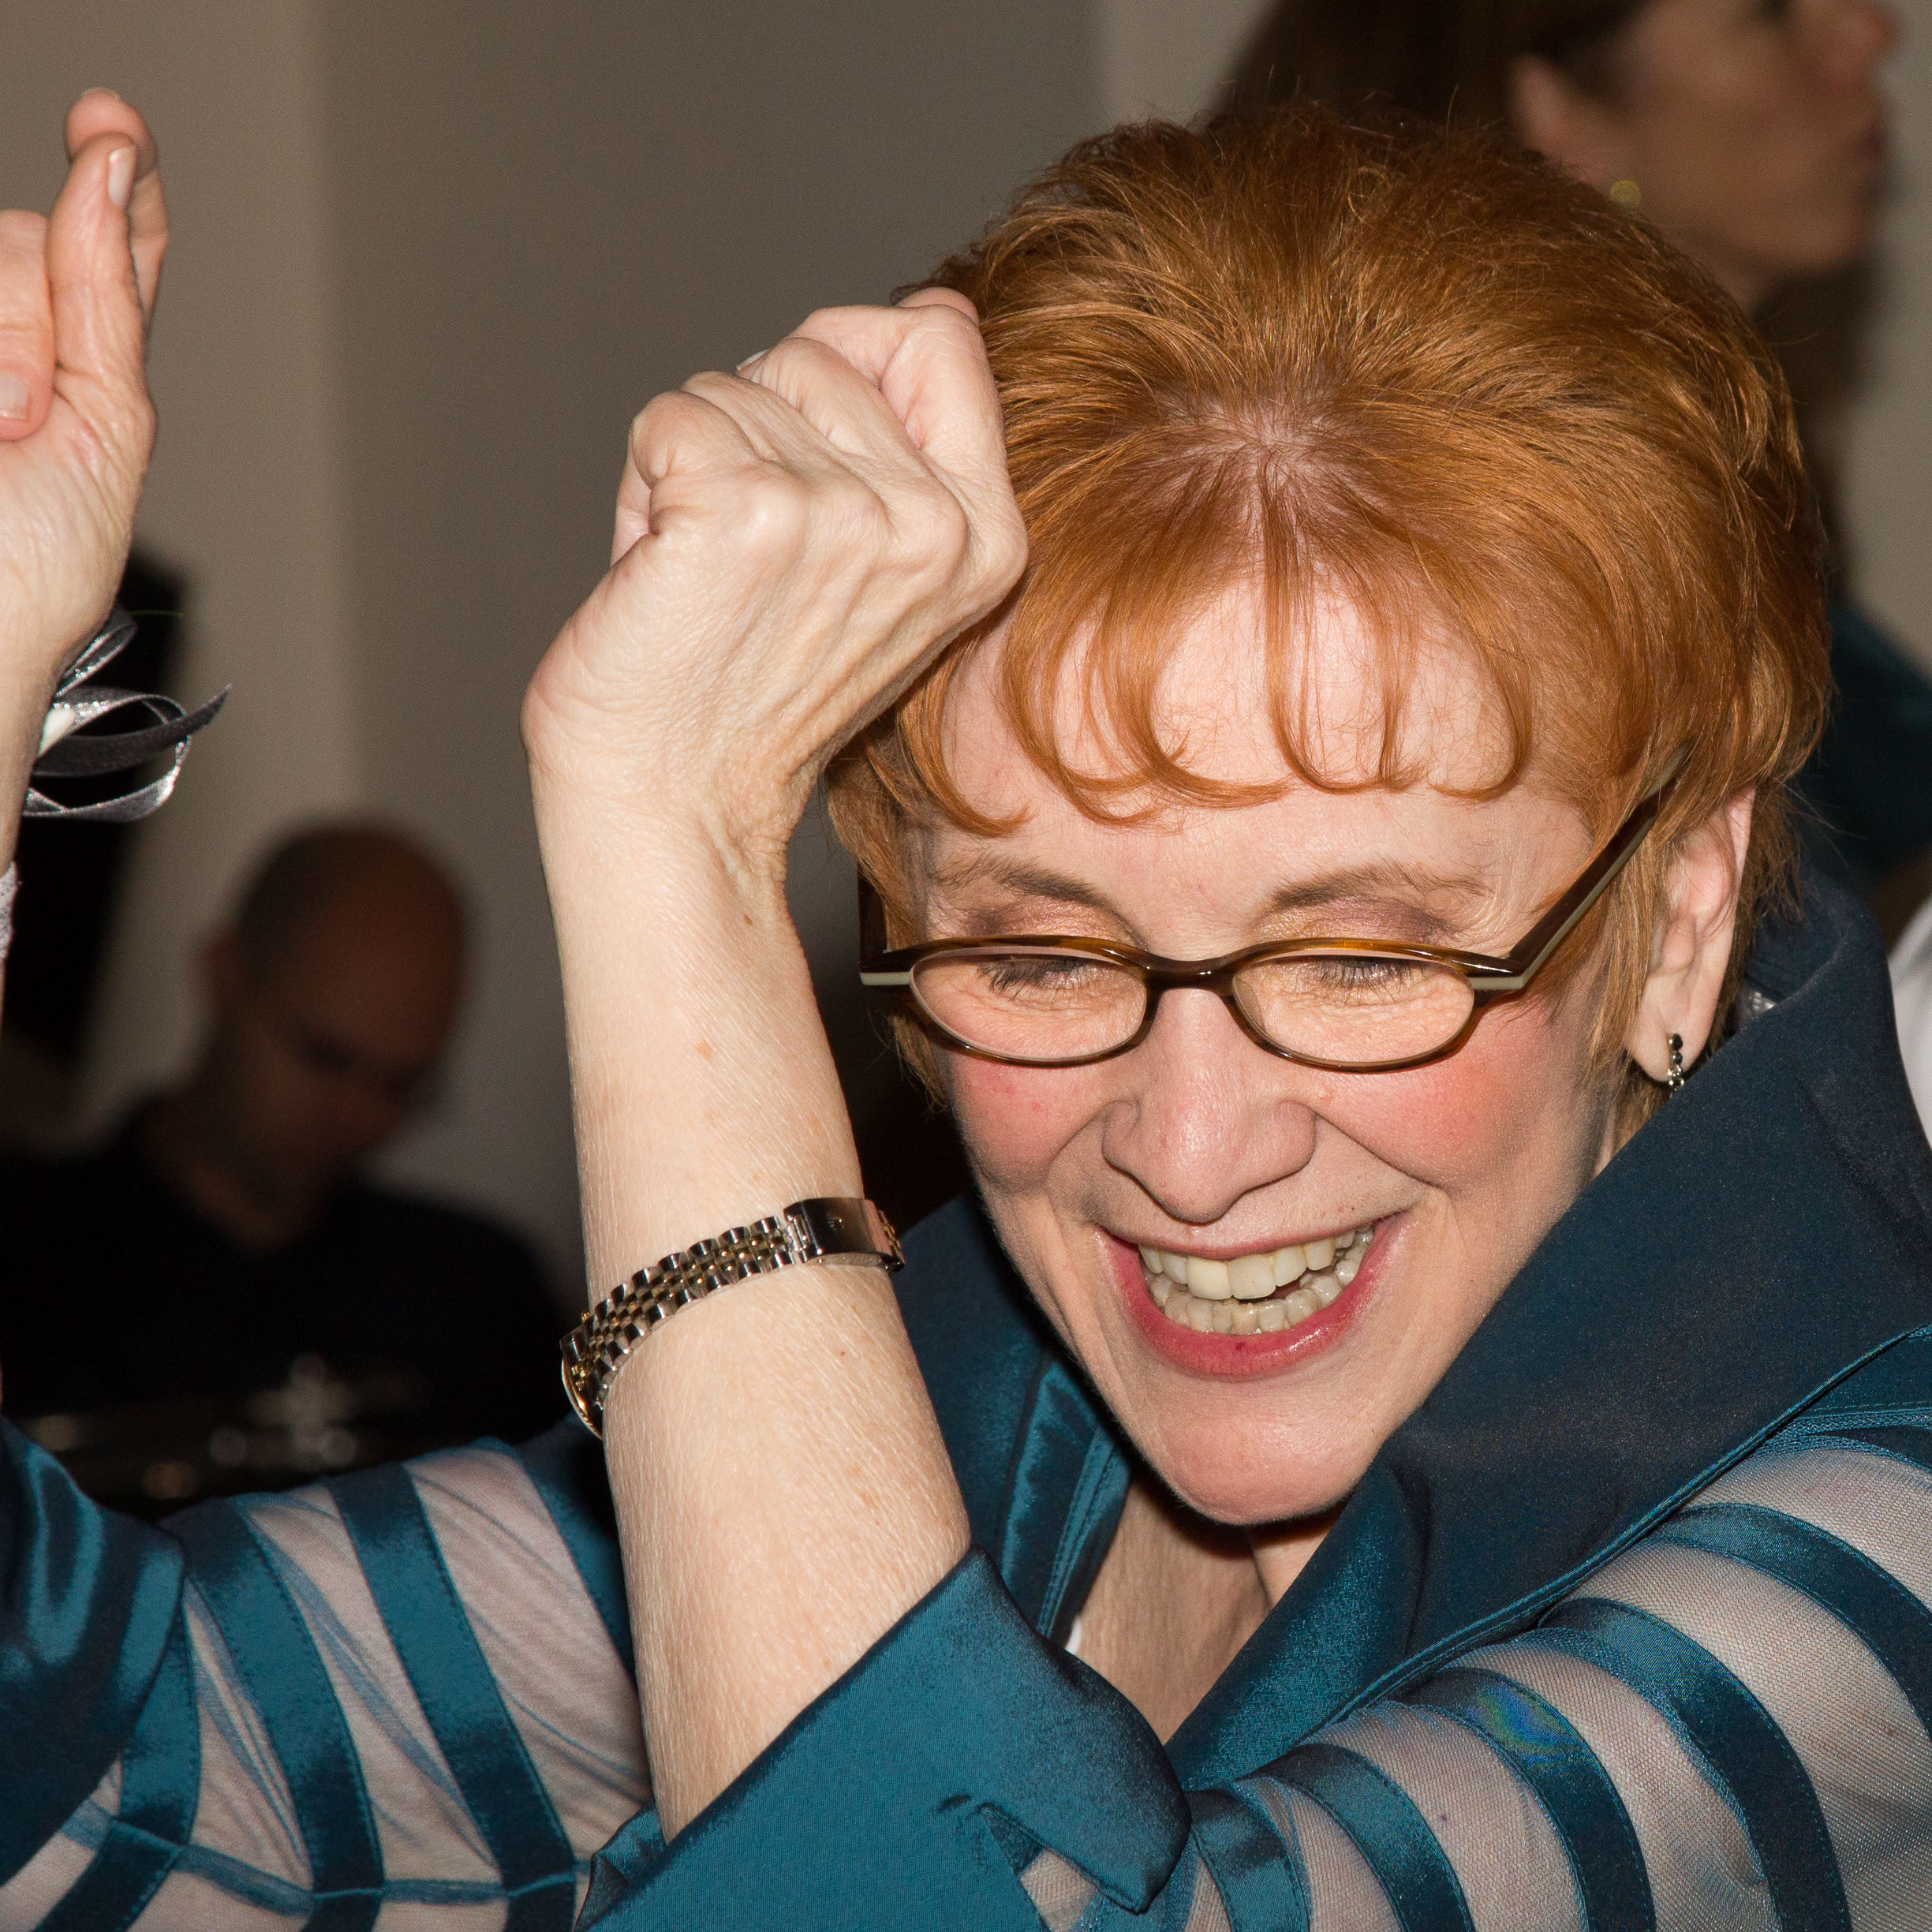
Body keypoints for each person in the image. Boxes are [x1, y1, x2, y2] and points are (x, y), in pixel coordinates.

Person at [7, 90, 1932, 1932]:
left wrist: (670, 844)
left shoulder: (1873, 1577)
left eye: (1359, 958)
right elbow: (116, 1770)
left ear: (1676, 916)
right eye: (1041, 953)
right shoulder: (984, 1394)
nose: (1188, 1151)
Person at [1228, 0, 1932, 920]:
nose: (1869, 31)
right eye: (1764, 12)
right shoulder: (1484, 569)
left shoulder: (1758, 484)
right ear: (1564, 112)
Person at [0, 822, 563, 1507]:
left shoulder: (480, 1299)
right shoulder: (26, 1246)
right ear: (224, 972)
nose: (357, 1118)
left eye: (400, 1086)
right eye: (325, 1057)